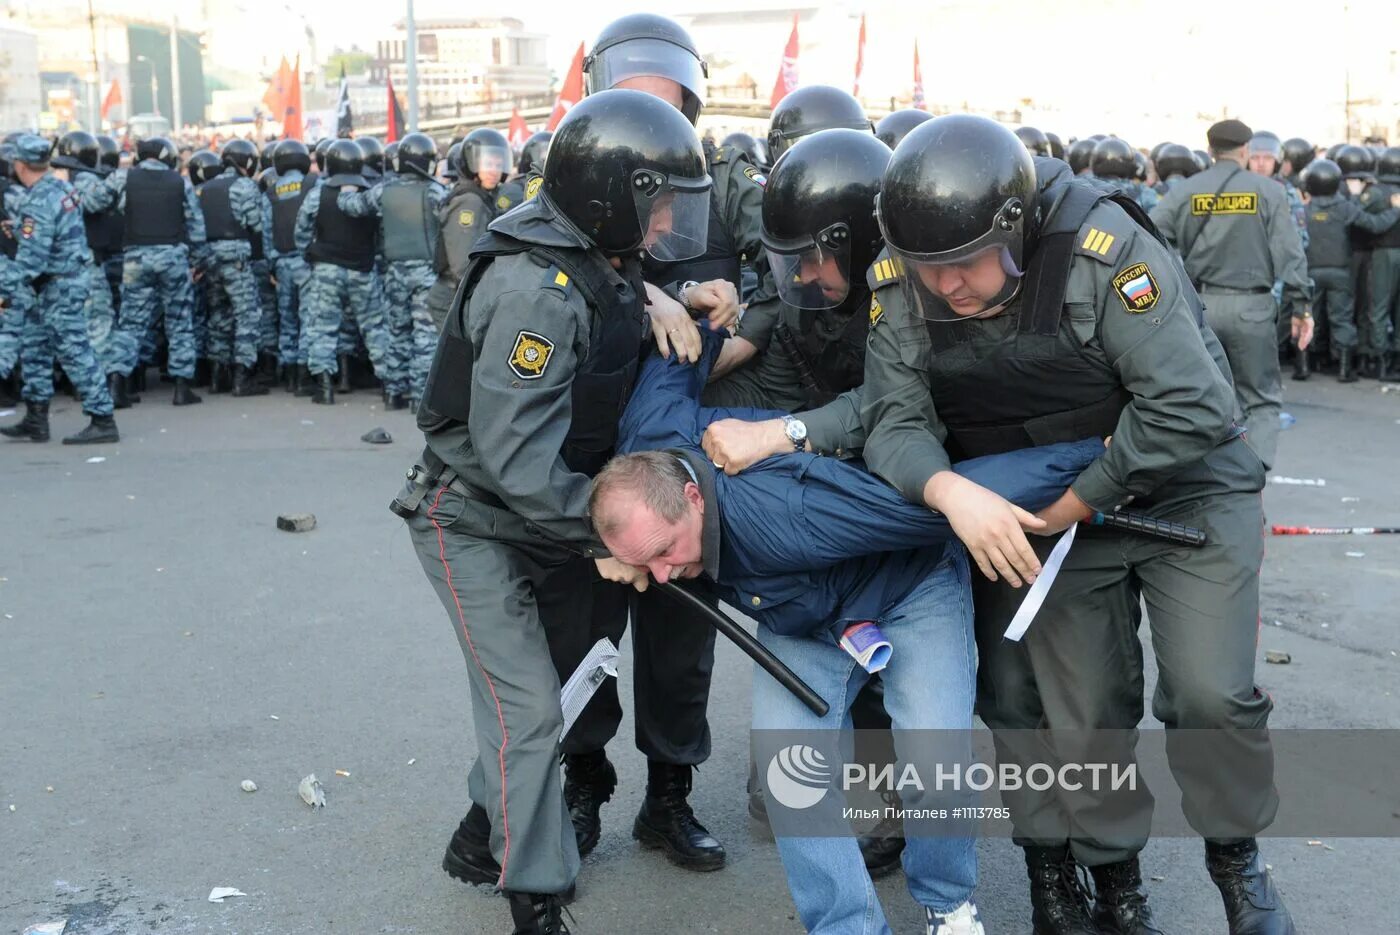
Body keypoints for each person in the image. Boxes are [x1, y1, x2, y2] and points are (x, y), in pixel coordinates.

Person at [863, 114, 1294, 935]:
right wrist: (948, 490)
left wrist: (1071, 502)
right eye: (929, 270)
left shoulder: (1103, 251)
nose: (947, 288)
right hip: (1044, 514)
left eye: (965, 266)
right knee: (1082, 713)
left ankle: (1238, 862)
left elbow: (1189, 405)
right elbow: (894, 419)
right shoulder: (905, 281)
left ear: (1015, 228)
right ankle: (1117, 890)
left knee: (1209, 692)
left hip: (1182, 489)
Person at [591, 329, 1106, 935]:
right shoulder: (648, 449)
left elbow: (931, 507)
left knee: (934, 769)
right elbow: (666, 376)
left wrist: (1097, 458)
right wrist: (698, 321)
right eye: (644, 560)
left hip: (907, 582)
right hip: (803, 618)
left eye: (663, 553)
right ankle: (846, 926)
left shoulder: (787, 514)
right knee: (792, 781)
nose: (659, 575)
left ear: (692, 496)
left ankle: (948, 905)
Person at [393, 89, 716, 934]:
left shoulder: (595, 254)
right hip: (473, 520)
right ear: (616, 196)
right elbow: (518, 462)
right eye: (660, 203)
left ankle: (477, 834)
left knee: (556, 691)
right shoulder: (536, 291)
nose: (668, 221)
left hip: (540, 515)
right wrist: (615, 534)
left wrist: (670, 299)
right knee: (528, 708)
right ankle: (534, 898)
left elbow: (616, 310)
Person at [1151, 118, 1312, 470]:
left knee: (1206, 398)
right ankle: (1251, 482)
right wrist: (1302, 307)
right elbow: (1290, 253)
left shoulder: (1185, 191)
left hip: (1200, 307)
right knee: (1263, 400)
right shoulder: (1268, 191)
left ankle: (1212, 482)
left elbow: (1149, 236)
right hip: (1252, 305)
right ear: (1245, 150)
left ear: (1210, 151)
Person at [0, 134, 118, 444]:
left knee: (74, 351)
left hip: (57, 286)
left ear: (20, 164)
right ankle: (36, 417)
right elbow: (56, 232)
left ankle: (103, 419)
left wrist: (5, 288)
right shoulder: (60, 188)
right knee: (35, 349)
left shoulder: (38, 201)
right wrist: (19, 229)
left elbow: (31, 262)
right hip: (56, 282)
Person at [84, 135, 207, 407]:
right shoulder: (181, 183)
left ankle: (117, 385)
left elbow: (91, 204)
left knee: (131, 323)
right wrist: (198, 262)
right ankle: (181, 388)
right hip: (173, 257)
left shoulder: (123, 178)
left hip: (136, 259)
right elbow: (197, 227)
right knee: (179, 321)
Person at [338, 132, 446, 409]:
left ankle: (393, 392)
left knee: (396, 331)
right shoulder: (435, 192)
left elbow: (351, 206)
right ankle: (420, 397)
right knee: (425, 336)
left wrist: (345, 188)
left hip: (394, 273)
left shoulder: (384, 189)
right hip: (426, 275)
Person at [294, 139, 395, 404]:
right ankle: (388, 386)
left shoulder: (318, 193)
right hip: (362, 268)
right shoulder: (371, 193)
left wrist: (309, 254)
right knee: (374, 328)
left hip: (327, 269)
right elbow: (382, 236)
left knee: (322, 327)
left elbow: (301, 231)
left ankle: (325, 386)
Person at [1300, 158, 1400, 381]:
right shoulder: (1344, 207)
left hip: (1311, 271)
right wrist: (1395, 211)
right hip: (1340, 272)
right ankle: (1345, 370)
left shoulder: (1303, 210)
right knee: (1342, 318)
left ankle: (1305, 365)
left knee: (1309, 316)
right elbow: (1375, 225)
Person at [197, 138, 268, 397]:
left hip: (210, 258)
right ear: (248, 162)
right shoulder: (245, 186)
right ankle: (242, 377)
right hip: (235, 258)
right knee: (246, 315)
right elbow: (256, 225)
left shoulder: (207, 187)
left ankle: (218, 376)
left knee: (218, 316)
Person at [424, 128, 512, 335]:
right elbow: (463, 265)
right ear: (473, 164)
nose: (493, 170)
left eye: (498, 165)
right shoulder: (470, 201)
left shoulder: (483, 196)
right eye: (487, 164)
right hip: (455, 296)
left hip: (461, 294)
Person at [264, 139, 315, 394]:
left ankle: (290, 374)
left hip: (282, 262)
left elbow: (266, 232)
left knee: (287, 319)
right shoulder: (312, 184)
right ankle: (305, 377)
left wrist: (272, 264)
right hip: (306, 263)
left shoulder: (272, 190)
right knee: (307, 317)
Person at [1362, 147, 1400, 380]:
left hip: (1383, 253)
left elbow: (1358, 217)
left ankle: (1381, 361)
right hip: (1386, 251)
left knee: (1378, 307)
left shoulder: (1376, 192)